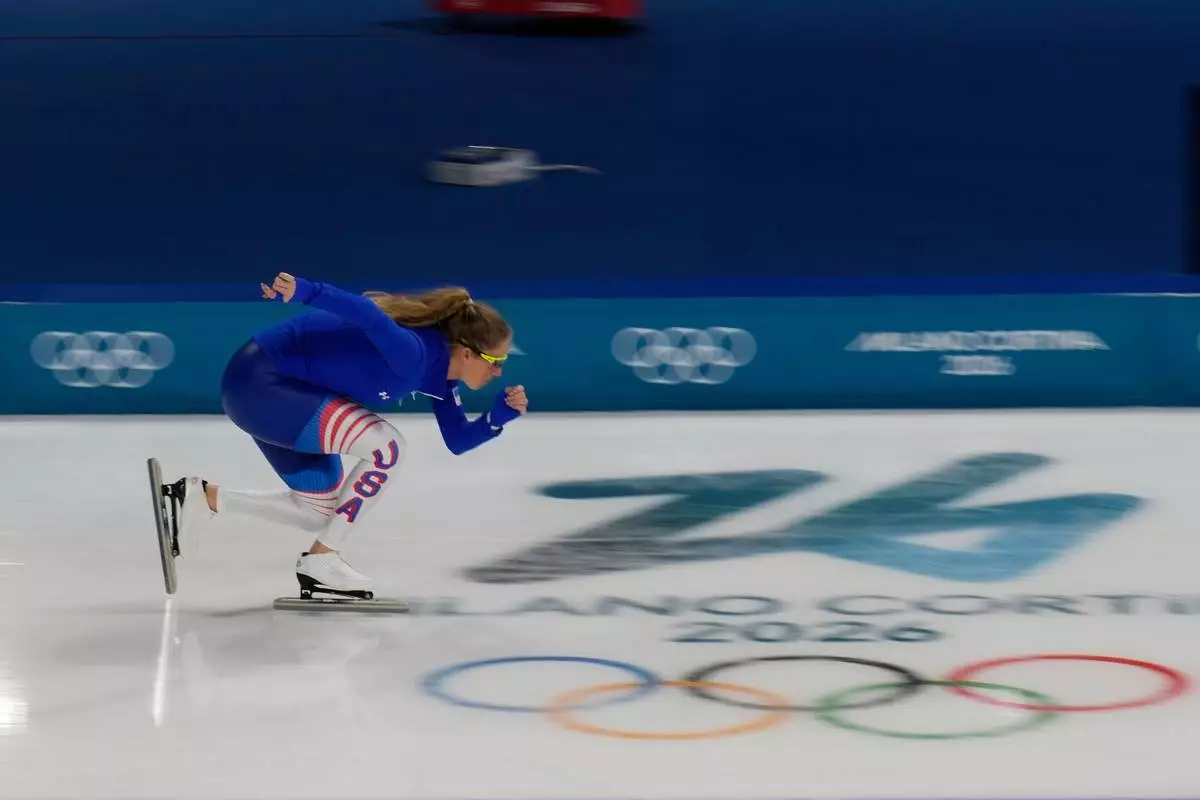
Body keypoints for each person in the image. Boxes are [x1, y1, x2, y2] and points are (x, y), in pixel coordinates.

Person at [167, 271, 527, 598]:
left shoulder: (441, 379)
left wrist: (496, 419)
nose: (498, 372)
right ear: (466, 353)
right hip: (261, 383)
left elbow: (457, 439)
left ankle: (201, 499)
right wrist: (306, 291)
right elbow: (368, 314)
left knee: (319, 510)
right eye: (496, 362)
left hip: (276, 393)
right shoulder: (414, 354)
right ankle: (322, 561)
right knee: (387, 448)